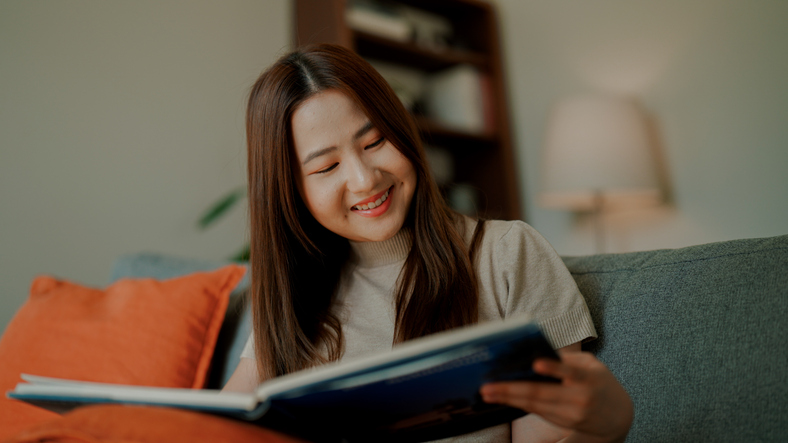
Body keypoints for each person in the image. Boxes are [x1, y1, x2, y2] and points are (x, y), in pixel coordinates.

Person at [224, 44, 633, 443]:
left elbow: (553, 427)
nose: (365, 179)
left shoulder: (507, 256)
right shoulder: (291, 297)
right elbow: (212, 428)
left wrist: (607, 427)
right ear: (290, 191)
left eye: (375, 142)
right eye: (327, 166)